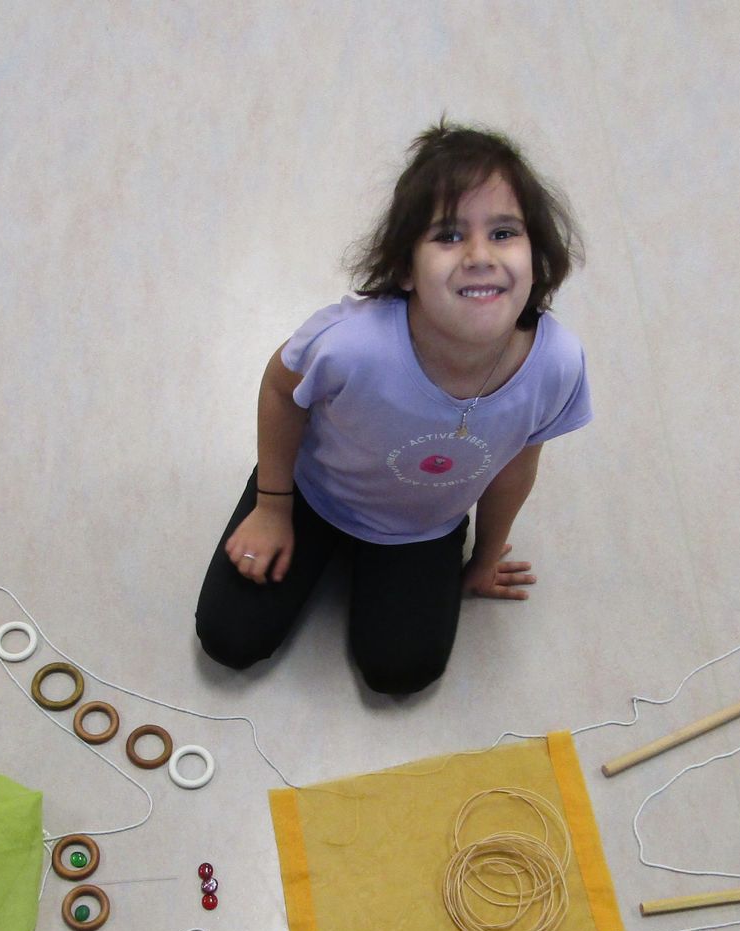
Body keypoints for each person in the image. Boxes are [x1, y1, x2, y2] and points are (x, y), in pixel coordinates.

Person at [194, 121, 591, 696]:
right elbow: (280, 390)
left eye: (504, 232)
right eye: (449, 235)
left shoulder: (557, 365)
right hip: (313, 496)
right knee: (228, 638)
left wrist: (484, 556)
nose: (480, 255)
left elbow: (517, 463)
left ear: (537, 254)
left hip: (421, 526)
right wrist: (273, 506)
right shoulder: (351, 344)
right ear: (405, 268)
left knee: (402, 673)